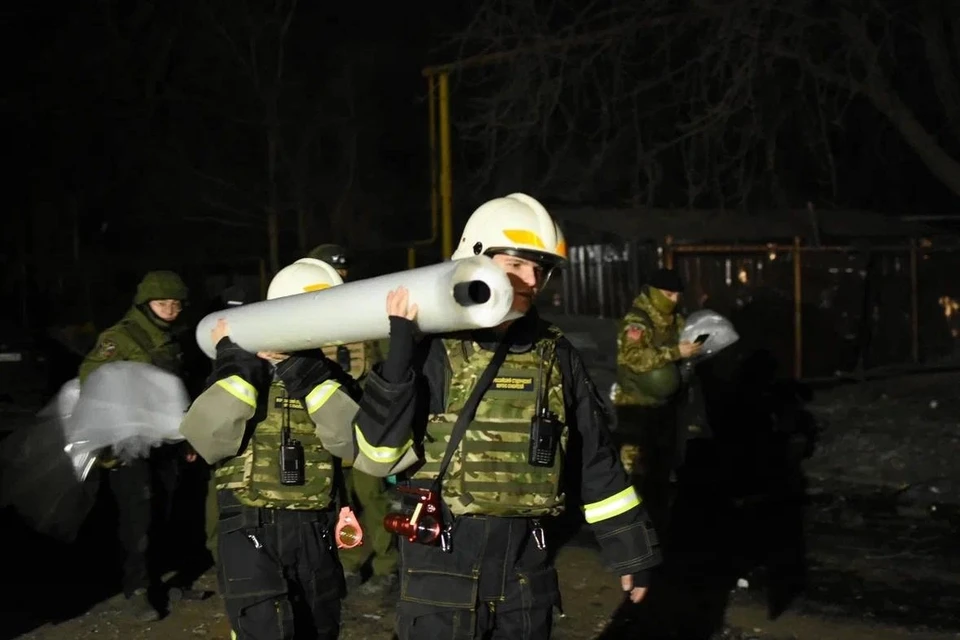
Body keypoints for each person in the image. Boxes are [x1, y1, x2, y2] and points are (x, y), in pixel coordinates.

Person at [349, 193, 662, 640]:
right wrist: (400, 355)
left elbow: (594, 458)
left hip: (525, 568)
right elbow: (378, 453)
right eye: (517, 264)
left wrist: (632, 552)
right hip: (442, 566)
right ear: (476, 258)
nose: (532, 280)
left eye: (541, 268)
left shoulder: (556, 355)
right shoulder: (430, 347)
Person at [179, 257, 362, 640]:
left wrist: (307, 377)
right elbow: (206, 440)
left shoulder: (328, 377)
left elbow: (351, 442)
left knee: (318, 630)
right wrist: (239, 371)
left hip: (315, 525)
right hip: (250, 524)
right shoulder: (237, 366)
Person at [79, 270, 193, 622]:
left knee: (166, 511)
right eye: (162, 303)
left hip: (166, 439)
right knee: (137, 515)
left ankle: (161, 578)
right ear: (145, 304)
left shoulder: (174, 338)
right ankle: (137, 589)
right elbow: (91, 377)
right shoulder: (120, 337)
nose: (170, 309)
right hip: (129, 441)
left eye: (175, 304)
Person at [308, 243, 398, 596]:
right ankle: (347, 562)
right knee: (338, 498)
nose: (340, 277)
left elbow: (391, 360)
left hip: (365, 415)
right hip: (323, 414)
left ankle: (385, 565)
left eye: (344, 271)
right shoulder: (301, 311)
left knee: (371, 492)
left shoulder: (365, 309)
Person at [612, 268, 702, 533]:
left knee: (660, 471)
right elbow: (632, 358)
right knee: (633, 475)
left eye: (677, 295)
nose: (673, 300)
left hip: (666, 407)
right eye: (668, 294)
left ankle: (657, 529)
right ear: (653, 292)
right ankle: (626, 535)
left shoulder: (676, 320)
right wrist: (675, 352)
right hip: (636, 406)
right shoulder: (638, 321)